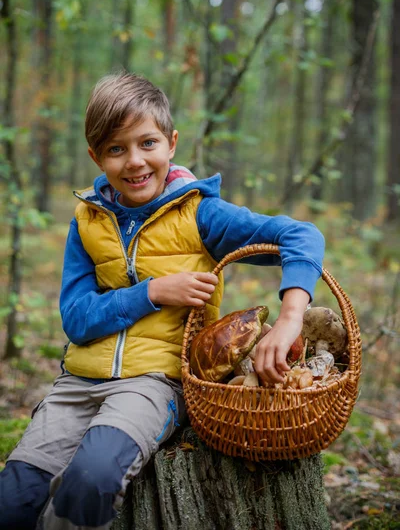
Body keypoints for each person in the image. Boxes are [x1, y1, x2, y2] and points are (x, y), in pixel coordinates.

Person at [0, 72, 325, 530]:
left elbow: (300, 235)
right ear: (96, 155)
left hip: (153, 385)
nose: (134, 162)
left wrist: (292, 317)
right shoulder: (88, 218)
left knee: (91, 480)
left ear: (171, 142)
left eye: (147, 143)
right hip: (77, 384)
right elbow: (76, 318)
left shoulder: (199, 213)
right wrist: (153, 292)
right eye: (116, 149)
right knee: (14, 496)